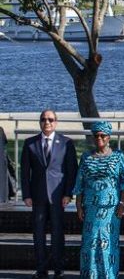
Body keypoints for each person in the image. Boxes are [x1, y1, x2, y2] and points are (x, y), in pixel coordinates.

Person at [20, 109, 77, 279]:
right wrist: (26, 195)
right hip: (37, 197)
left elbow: (71, 170)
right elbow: (24, 172)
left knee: (58, 233)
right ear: (40, 122)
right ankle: (41, 268)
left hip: (59, 197)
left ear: (56, 122)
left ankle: (58, 268)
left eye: (50, 119)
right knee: (38, 234)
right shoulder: (30, 143)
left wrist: (68, 193)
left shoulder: (66, 143)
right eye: (44, 119)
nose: (47, 122)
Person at [72, 121, 124, 279]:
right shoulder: (86, 157)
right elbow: (80, 182)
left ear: (109, 137)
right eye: (96, 135)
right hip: (91, 208)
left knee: (108, 247)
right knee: (90, 245)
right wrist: (78, 206)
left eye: (102, 135)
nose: (99, 138)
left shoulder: (119, 157)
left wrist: (122, 204)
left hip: (111, 210)